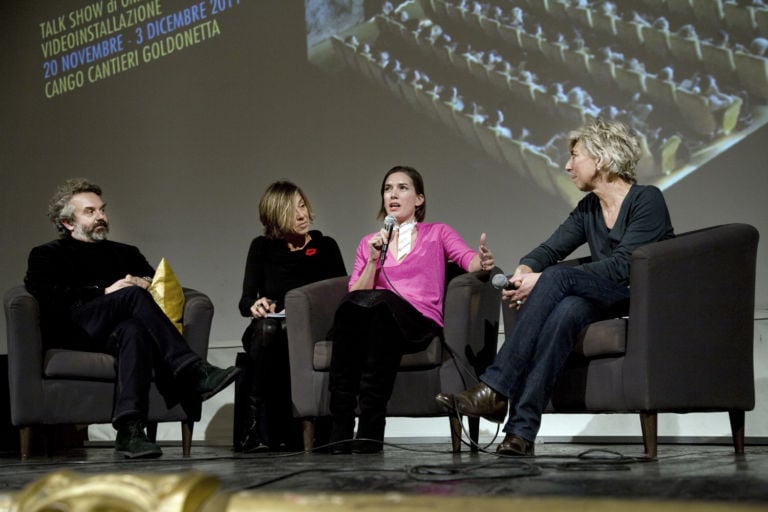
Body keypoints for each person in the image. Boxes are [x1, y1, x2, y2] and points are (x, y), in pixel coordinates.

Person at [436, 119, 675, 456]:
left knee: (557, 278)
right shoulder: (590, 207)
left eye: (574, 156)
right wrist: (524, 270)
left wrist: (544, 279)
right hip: (599, 297)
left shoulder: (646, 200)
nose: (567, 165)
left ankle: (495, 388)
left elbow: (625, 266)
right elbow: (549, 250)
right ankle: (520, 432)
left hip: (639, 296)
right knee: (566, 310)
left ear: (601, 159)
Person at [24, 178, 241, 459]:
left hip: (117, 332)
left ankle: (130, 431)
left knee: (134, 330)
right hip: (76, 329)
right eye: (90, 212)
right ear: (67, 222)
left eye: (102, 210)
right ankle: (192, 371)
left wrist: (143, 280)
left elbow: (154, 279)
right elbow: (47, 296)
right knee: (130, 296)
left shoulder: (125, 252)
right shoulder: (47, 255)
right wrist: (104, 291)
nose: (101, 216)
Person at [328, 165, 494, 454]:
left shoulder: (437, 233)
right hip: (378, 318)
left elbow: (468, 261)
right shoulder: (369, 242)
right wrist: (372, 260)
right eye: (387, 188)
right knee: (351, 310)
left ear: (419, 199)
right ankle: (340, 428)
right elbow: (356, 294)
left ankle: (370, 429)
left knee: (379, 309)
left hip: (419, 320)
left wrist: (483, 261)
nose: (393, 194)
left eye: (402, 188)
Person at [236, 181, 347, 452]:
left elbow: (340, 295)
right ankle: (252, 428)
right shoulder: (262, 247)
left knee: (284, 330)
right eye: (291, 210)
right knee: (268, 330)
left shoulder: (326, 246)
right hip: (271, 331)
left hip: (314, 331)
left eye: (302, 205)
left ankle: (321, 428)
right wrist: (255, 305)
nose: (302, 214)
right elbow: (245, 301)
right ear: (274, 217)